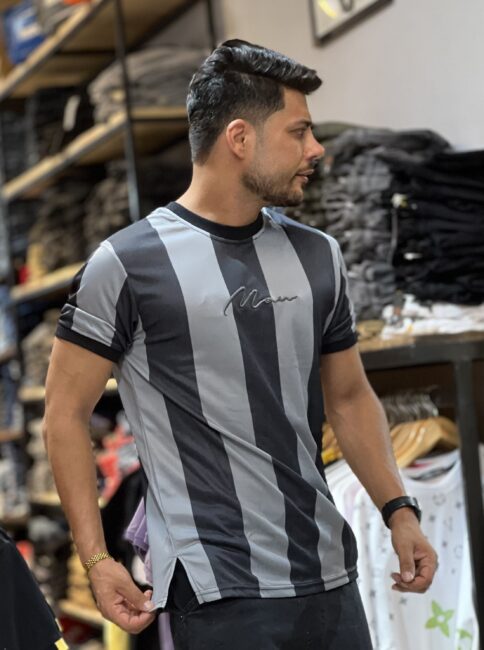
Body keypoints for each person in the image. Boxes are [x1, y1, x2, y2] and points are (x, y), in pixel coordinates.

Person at [43, 39, 438, 649]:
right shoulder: (126, 264)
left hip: (329, 572)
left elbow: (350, 397)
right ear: (239, 138)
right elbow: (64, 415)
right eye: (299, 132)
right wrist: (96, 560)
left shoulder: (318, 255)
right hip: (217, 587)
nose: (317, 149)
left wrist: (398, 510)